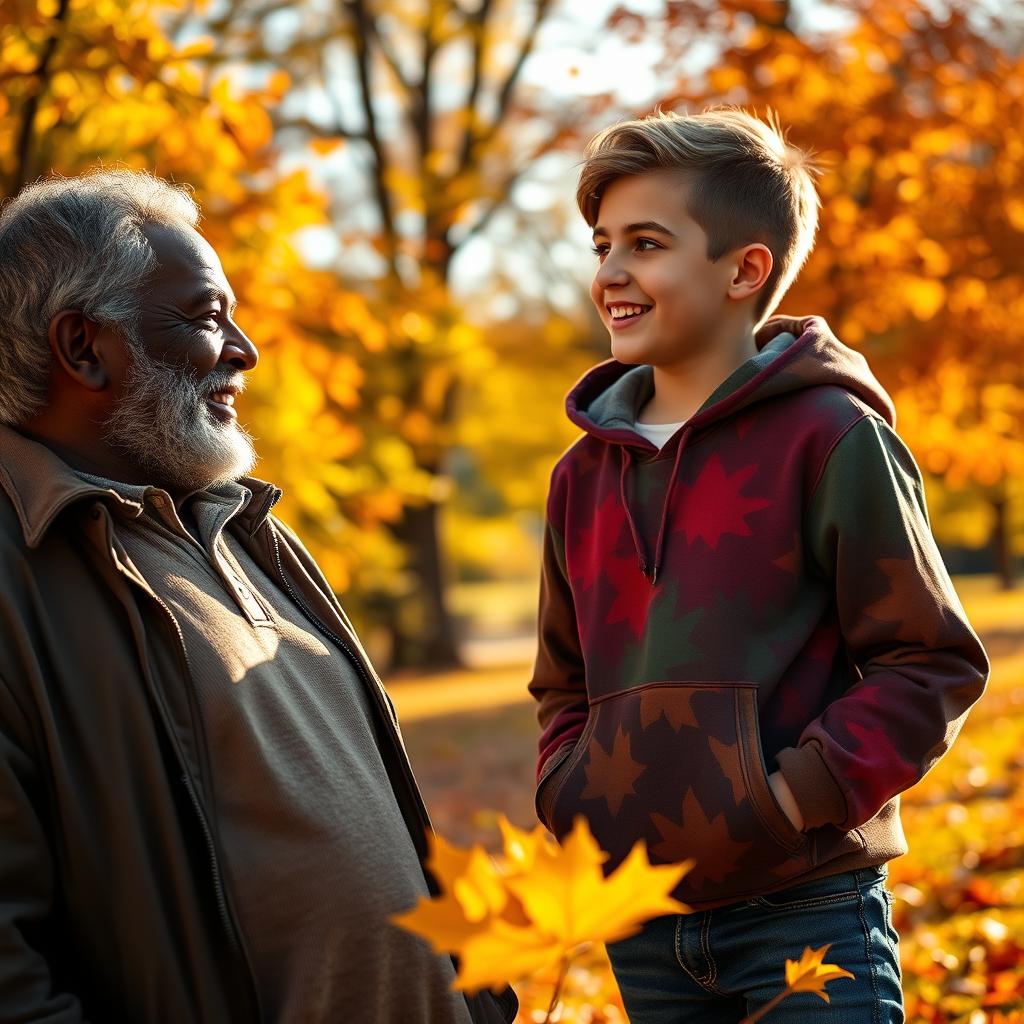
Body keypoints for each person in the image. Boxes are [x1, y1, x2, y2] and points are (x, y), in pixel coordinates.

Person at [0, 169, 516, 1024]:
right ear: (84, 346)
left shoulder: (253, 533)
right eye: (206, 318)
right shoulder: (20, 571)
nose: (246, 350)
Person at [528, 109, 988, 1023]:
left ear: (745, 270)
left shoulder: (833, 438)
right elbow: (561, 682)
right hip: (643, 918)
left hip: (805, 906)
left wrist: (791, 799)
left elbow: (931, 661)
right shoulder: (580, 476)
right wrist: (571, 798)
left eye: (647, 244)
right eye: (603, 244)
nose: (611, 273)